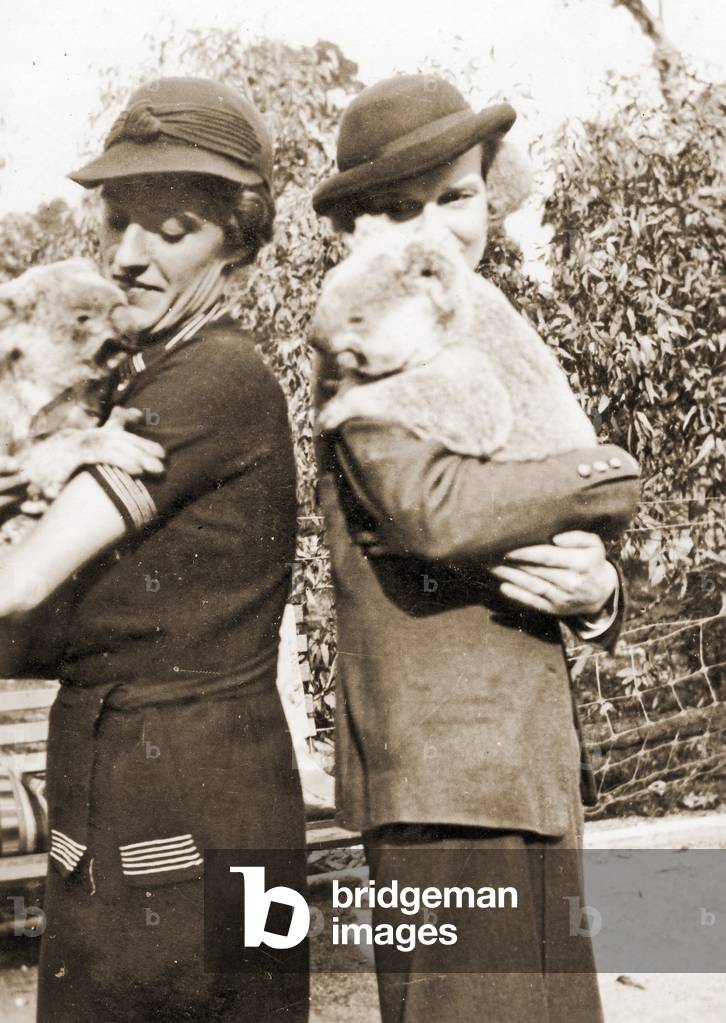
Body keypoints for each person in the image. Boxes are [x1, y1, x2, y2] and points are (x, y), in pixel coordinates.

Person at [312, 74, 641, 1022]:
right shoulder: (365, 326)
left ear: (491, 194)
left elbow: (522, 508)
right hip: (445, 785)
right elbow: (436, 510)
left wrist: (596, 593)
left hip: (523, 770)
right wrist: (606, 475)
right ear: (357, 231)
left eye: (456, 198)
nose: (436, 231)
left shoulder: (479, 322)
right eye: (400, 209)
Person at [0, 77, 308, 1022]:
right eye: (118, 223)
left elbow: (15, 590)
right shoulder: (136, 382)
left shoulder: (211, 379)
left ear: (238, 241)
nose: (128, 257)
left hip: (200, 828)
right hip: (131, 821)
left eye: (171, 230)